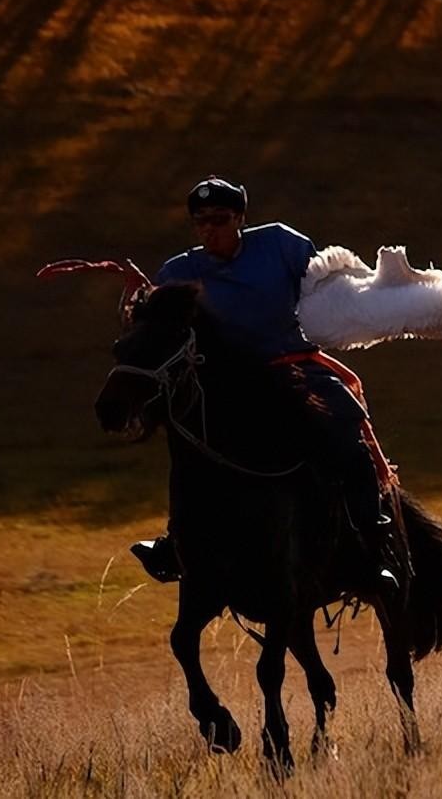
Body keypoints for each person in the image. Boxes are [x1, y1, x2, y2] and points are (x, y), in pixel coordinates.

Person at [129, 176, 401, 592]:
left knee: (346, 431)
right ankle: (178, 542)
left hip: (294, 367)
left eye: (219, 219)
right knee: (190, 444)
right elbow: (154, 322)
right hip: (228, 384)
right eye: (200, 222)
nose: (209, 230)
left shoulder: (281, 245)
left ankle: (370, 546)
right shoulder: (179, 271)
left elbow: (327, 292)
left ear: (240, 217)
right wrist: (136, 305)